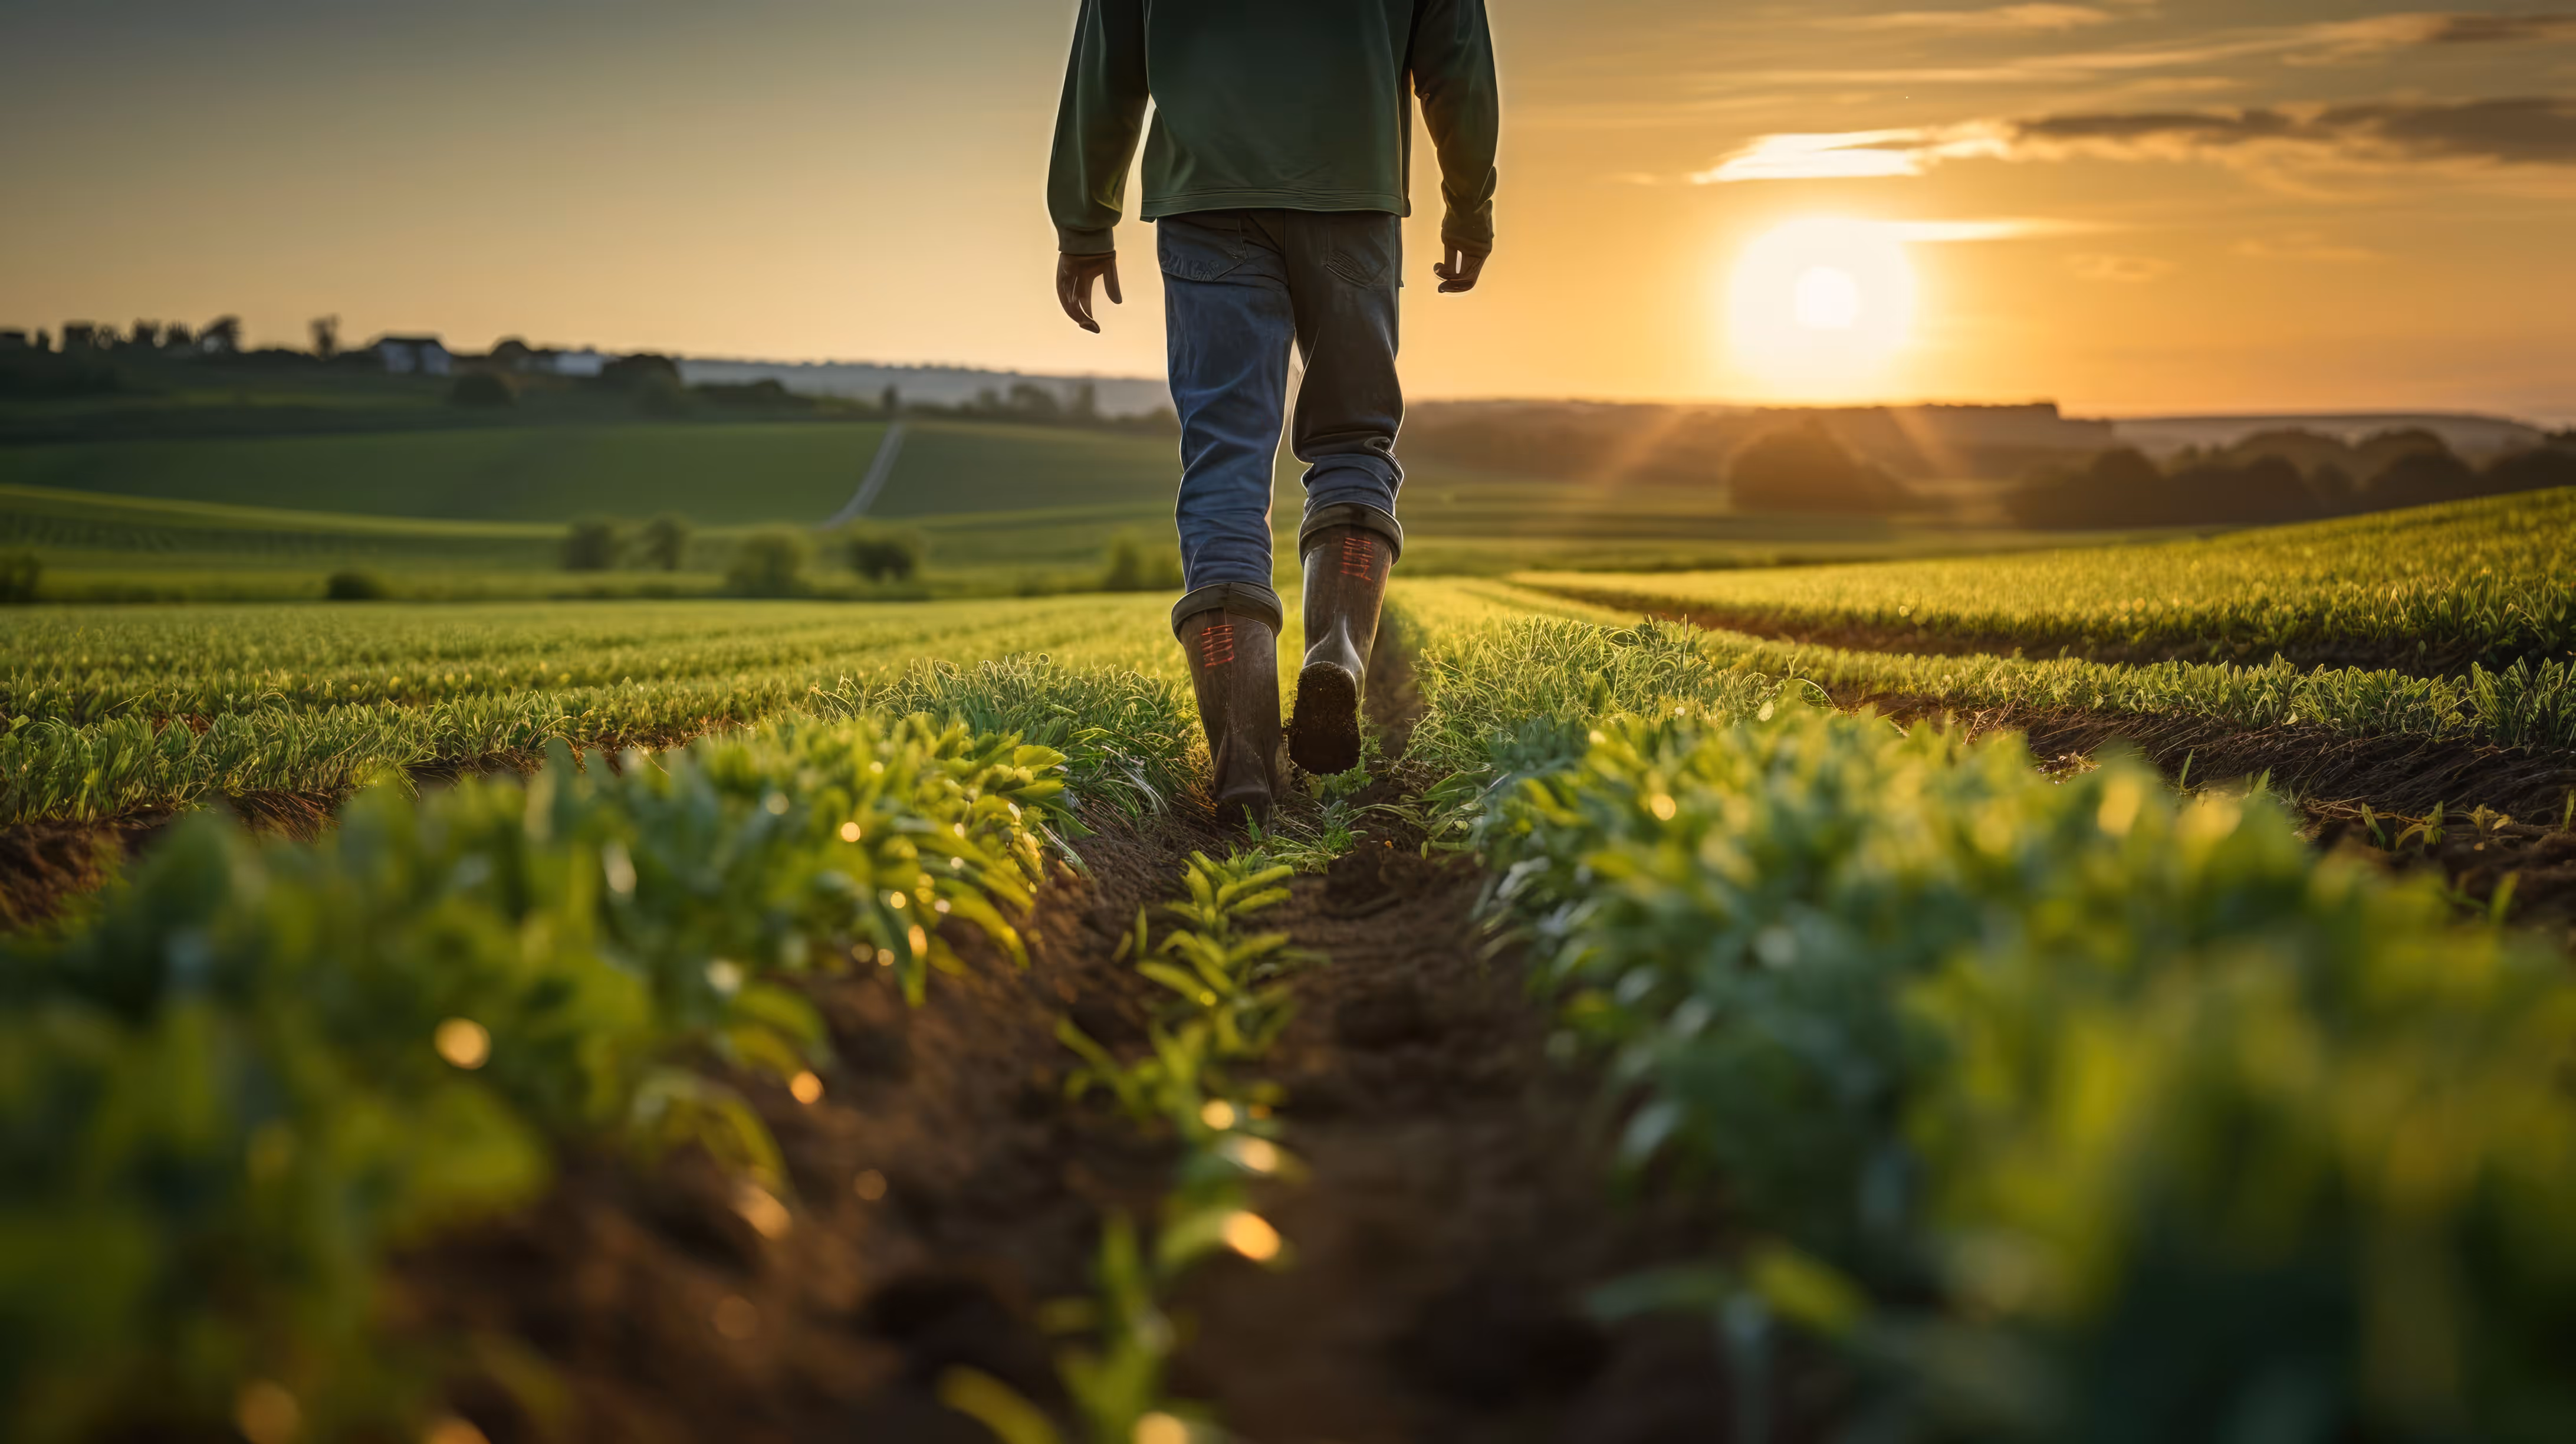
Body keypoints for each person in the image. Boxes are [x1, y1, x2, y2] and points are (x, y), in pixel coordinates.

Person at [1047, 0, 1499, 822]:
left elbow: (1107, 59)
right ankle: (1337, 652)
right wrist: (1470, 203)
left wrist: (1084, 222)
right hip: (1352, 194)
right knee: (1356, 440)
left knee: (1223, 468)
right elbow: (1456, 55)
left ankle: (1245, 760)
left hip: (1203, 200)